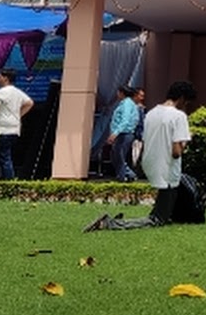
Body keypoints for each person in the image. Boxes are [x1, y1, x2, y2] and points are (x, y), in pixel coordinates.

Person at [84, 80, 197, 231]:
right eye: (186, 102)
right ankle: (111, 223)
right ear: (182, 98)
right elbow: (176, 153)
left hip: (151, 164)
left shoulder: (151, 113)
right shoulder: (179, 116)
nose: (185, 105)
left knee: (164, 208)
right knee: (157, 219)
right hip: (168, 168)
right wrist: (187, 140)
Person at [0, 68, 33, 180]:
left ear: (5, 78)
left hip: (1, 130)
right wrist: (18, 115)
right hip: (14, 130)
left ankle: (9, 182)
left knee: (4, 157)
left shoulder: (0, 93)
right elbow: (29, 103)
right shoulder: (17, 92)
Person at [107, 85, 139, 182]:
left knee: (119, 157)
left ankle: (123, 177)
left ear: (122, 93)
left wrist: (115, 133)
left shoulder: (127, 104)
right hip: (122, 134)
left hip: (124, 134)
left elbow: (125, 120)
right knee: (116, 156)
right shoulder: (126, 103)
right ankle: (127, 175)